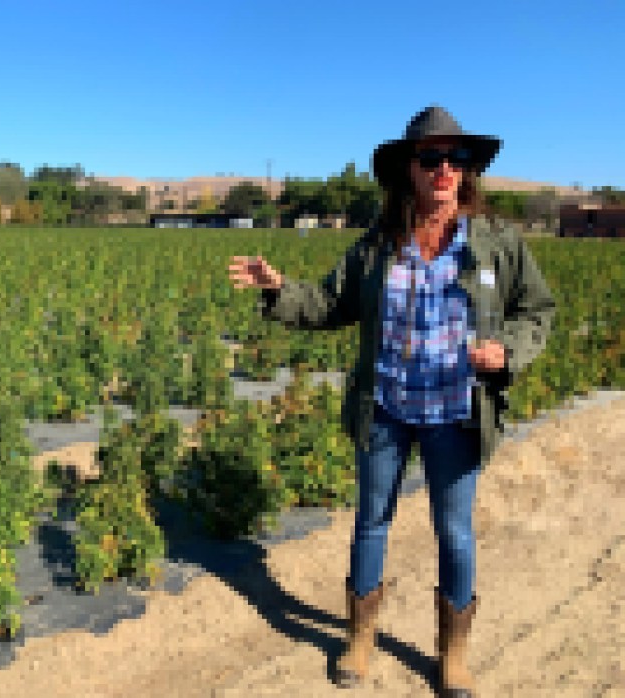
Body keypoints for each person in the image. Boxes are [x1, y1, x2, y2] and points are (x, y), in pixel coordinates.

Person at [228, 105, 556, 696]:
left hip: (456, 414)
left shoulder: (498, 243)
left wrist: (507, 349)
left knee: (454, 532)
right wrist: (278, 290)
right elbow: (330, 304)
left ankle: (452, 653)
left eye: (456, 158)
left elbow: (539, 312)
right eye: (431, 157)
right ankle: (359, 639)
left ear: (467, 170)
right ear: (409, 168)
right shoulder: (379, 246)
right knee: (371, 522)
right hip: (386, 408)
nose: (444, 169)